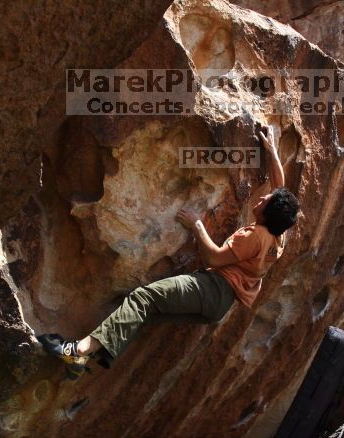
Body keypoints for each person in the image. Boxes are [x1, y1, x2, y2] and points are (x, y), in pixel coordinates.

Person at [38, 126, 299, 378]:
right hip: (219, 305)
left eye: (265, 203)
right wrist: (272, 149)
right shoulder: (279, 233)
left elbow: (215, 257)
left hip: (214, 289)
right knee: (147, 311)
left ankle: (77, 351)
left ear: (268, 215)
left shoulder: (255, 237)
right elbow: (280, 186)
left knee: (143, 299)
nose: (262, 199)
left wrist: (197, 226)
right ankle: (86, 356)